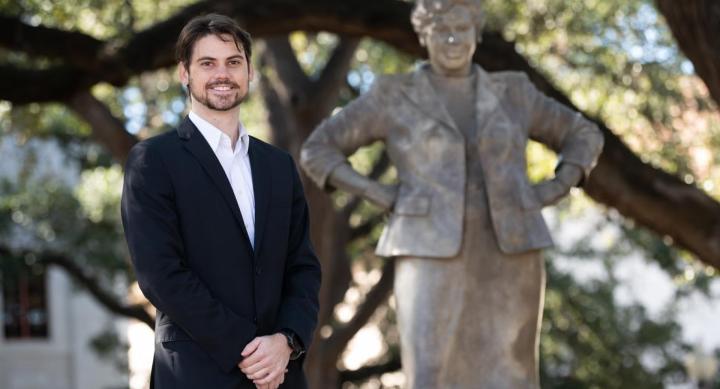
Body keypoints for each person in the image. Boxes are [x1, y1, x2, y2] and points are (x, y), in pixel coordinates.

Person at [300, 0, 603, 387]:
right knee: (430, 372)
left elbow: (583, 134)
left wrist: (558, 185)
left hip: (512, 248)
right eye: (440, 29)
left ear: (477, 33)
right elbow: (318, 148)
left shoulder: (513, 92)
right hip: (427, 246)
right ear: (422, 35)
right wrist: (379, 193)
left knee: (513, 373)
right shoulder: (393, 94)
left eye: (461, 29)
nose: (452, 38)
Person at [121, 13, 321, 389]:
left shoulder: (279, 166)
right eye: (207, 63)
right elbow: (161, 274)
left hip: (281, 375)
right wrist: (247, 349)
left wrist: (286, 341)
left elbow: (303, 268)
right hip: (197, 373)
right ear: (185, 73)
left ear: (249, 72)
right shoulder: (153, 161)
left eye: (233, 62)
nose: (222, 74)